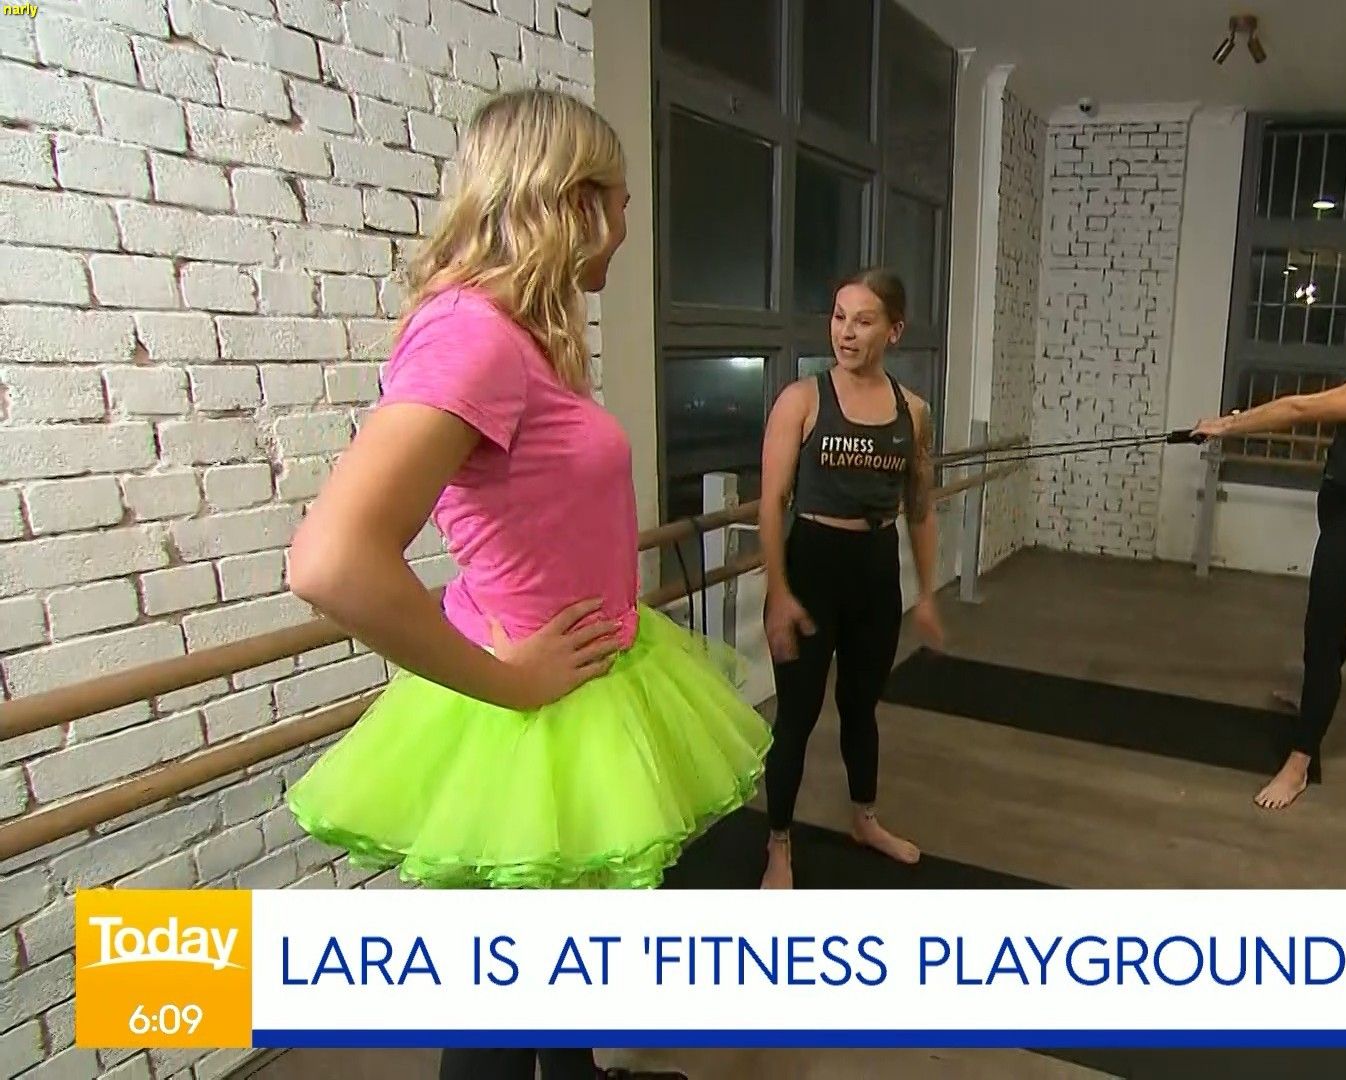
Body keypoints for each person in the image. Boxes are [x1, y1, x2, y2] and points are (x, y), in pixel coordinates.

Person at [282, 88, 767, 1080]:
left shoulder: (520, 336)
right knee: (501, 1007)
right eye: (621, 202)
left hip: (591, 679)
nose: (626, 226)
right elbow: (331, 560)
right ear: (575, 200)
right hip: (530, 707)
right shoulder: (472, 335)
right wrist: (509, 681)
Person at [1193, 287, 1346, 812]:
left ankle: (1298, 764)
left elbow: (1302, 408)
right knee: (1329, 627)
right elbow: (1306, 402)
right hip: (1344, 523)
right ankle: (1312, 704)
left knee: (1320, 639)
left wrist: (1227, 426)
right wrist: (1238, 419)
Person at [756, 267, 945, 890]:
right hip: (813, 566)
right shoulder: (802, 400)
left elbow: (920, 507)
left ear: (894, 331)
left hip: (874, 573)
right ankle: (778, 844)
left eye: (863, 321)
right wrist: (778, 594)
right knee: (797, 715)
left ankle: (865, 819)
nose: (846, 332)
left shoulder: (913, 412)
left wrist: (927, 595)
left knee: (861, 707)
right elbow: (770, 504)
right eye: (839, 317)